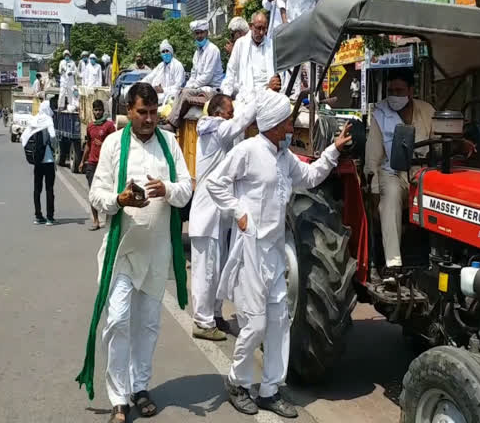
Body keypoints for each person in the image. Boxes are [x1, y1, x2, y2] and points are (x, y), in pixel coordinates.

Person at [207, 90, 351, 418]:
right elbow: (217, 183)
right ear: (272, 124)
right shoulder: (247, 151)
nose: (290, 124)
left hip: (274, 251)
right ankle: (237, 382)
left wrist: (333, 150)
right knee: (255, 324)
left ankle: (270, 389)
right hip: (251, 251)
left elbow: (312, 177)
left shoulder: (284, 156)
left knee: (278, 323)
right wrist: (238, 212)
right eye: (286, 120)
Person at [86, 82, 192, 422]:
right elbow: (96, 192)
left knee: (147, 325)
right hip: (123, 252)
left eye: (152, 112)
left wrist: (167, 189)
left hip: (157, 252)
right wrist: (119, 200)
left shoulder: (170, 143)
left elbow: (186, 189)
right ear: (128, 111)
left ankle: (139, 387)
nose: (148, 119)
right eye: (141, 112)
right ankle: (119, 398)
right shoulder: (115, 144)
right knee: (117, 321)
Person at [189, 94, 257, 341]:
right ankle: (202, 322)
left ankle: (215, 316)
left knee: (217, 271)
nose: (232, 114)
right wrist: (261, 97)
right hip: (206, 218)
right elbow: (239, 123)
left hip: (219, 218)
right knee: (205, 274)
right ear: (218, 112)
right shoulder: (214, 129)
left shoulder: (218, 132)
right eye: (229, 111)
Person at [364, 68, 435, 280]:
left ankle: (435, 256)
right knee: (391, 193)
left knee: (437, 192)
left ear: (410, 91)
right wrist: (372, 189)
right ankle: (393, 264)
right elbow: (373, 154)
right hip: (391, 171)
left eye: (399, 90)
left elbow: (439, 142)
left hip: (421, 171)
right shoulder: (380, 113)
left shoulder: (427, 111)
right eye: (390, 90)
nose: (394, 95)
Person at [166, 20, 224, 128]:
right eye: (197, 33)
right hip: (200, 87)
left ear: (207, 33)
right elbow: (193, 74)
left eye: (201, 32)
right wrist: (188, 86)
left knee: (185, 94)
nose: (199, 36)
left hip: (212, 88)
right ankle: (170, 120)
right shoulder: (197, 53)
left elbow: (207, 77)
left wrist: (190, 87)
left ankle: (172, 125)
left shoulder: (213, 50)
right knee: (180, 91)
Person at [221, 11, 281, 103]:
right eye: (258, 28)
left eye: (264, 29)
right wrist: (226, 97)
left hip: (268, 95)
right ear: (251, 26)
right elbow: (231, 71)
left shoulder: (271, 45)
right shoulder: (240, 44)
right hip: (246, 97)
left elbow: (278, 74)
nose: (261, 32)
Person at [80, 100, 116, 231]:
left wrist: (103, 145)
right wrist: (82, 161)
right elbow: (88, 145)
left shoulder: (109, 125)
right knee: (92, 193)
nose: (97, 112)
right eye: (95, 110)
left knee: (108, 192)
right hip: (92, 164)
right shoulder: (90, 126)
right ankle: (95, 221)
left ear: (103, 111)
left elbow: (115, 143)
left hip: (106, 164)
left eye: (99, 110)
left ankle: (108, 219)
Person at [22, 101, 57, 226]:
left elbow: (23, 137)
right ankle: (50, 217)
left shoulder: (34, 120)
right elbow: (53, 136)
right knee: (49, 189)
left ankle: (38, 215)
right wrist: (53, 147)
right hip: (48, 160)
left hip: (37, 159)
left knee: (37, 189)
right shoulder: (48, 120)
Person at [145, 39, 186, 106]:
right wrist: (140, 84)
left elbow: (178, 86)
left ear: (171, 52)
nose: (165, 53)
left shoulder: (178, 65)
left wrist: (163, 90)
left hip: (173, 94)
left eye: (167, 51)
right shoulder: (160, 65)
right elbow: (150, 77)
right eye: (163, 52)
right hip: (160, 94)